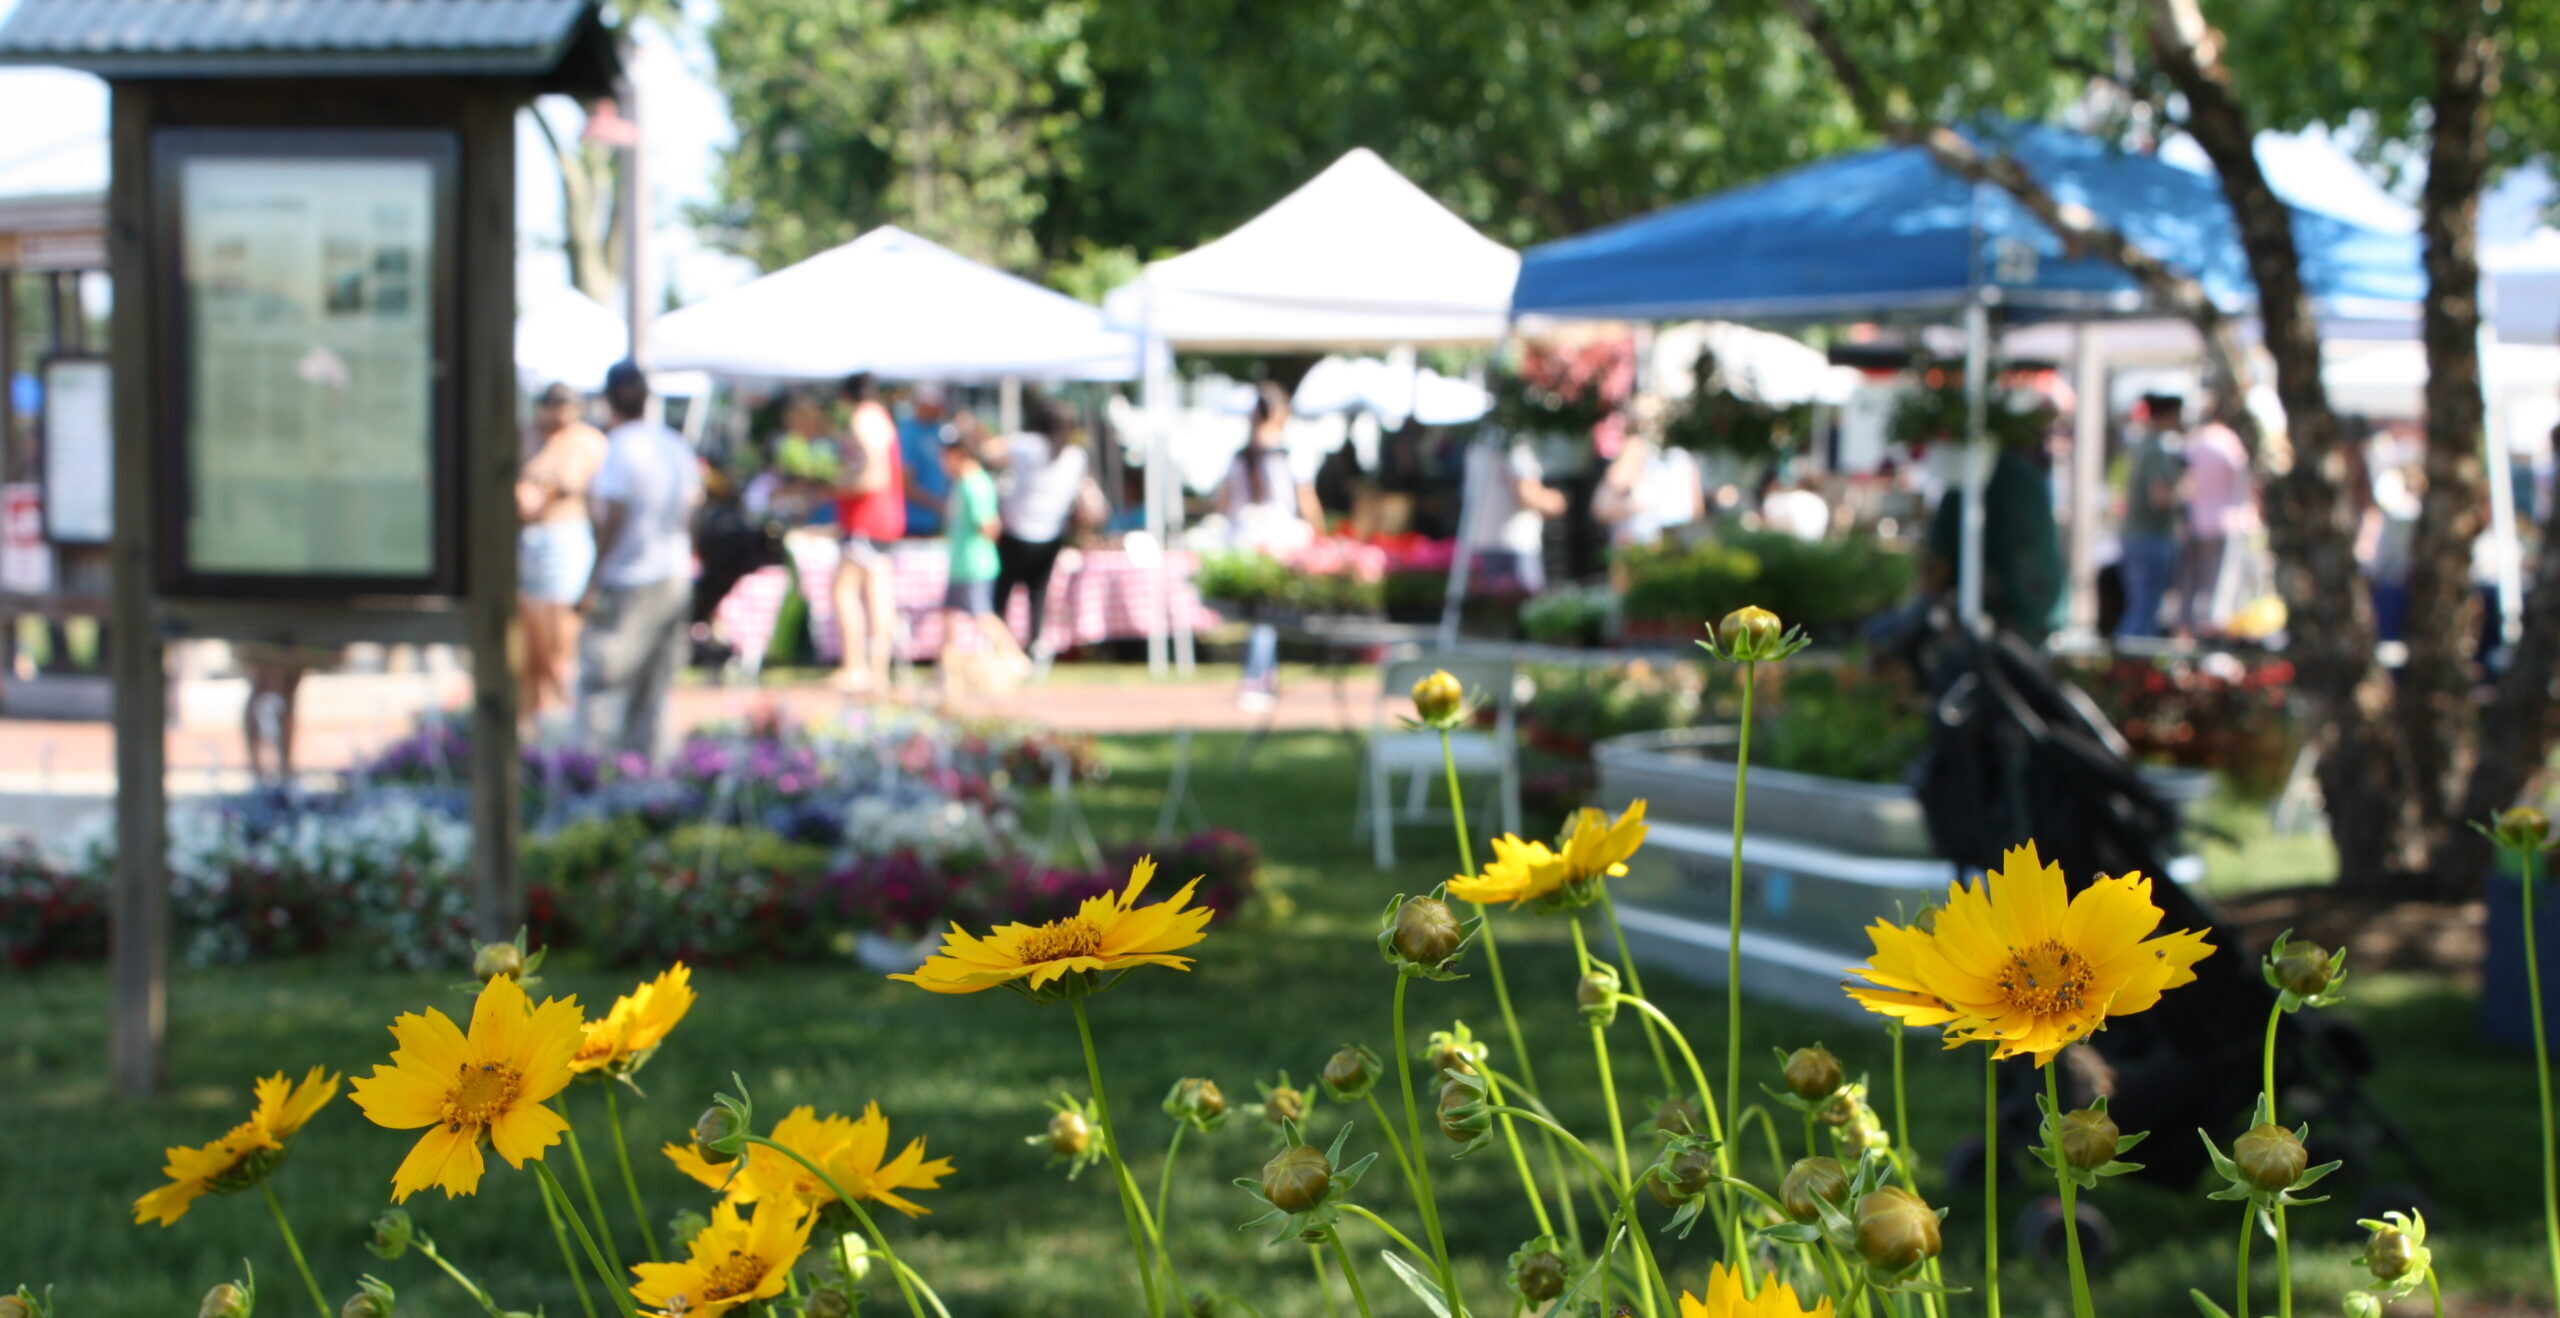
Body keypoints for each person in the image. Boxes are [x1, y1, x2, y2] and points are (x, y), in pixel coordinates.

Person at [576, 361, 701, 759]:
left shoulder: (618, 449)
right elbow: (692, 512)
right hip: (673, 573)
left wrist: (593, 579)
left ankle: (590, 770)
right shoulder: (673, 445)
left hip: (630, 578)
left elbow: (613, 518)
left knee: (602, 682)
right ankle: (650, 773)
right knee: (654, 687)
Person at [1214, 383, 1321, 708]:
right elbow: (1306, 501)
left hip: (1245, 538)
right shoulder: (1289, 453)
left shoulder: (1241, 455)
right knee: (1266, 615)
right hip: (1277, 539)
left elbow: (1222, 502)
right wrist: (1321, 534)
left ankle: (1262, 675)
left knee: (1261, 615)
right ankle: (1258, 679)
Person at [516, 383, 608, 726]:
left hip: (567, 539)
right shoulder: (526, 437)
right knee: (530, 643)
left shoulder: (588, 442)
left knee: (560, 641)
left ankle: (569, 718)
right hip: (528, 540)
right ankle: (534, 718)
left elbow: (600, 501)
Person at [1925, 442, 2065, 644]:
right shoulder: (2023, 473)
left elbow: (1938, 565)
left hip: (2008, 604)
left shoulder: (1969, 477)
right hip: (2038, 597)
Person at [994, 398, 1088, 658]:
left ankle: (1002, 649)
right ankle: (1035, 647)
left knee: (1002, 595)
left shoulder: (1028, 446)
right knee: (1038, 596)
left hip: (1016, 532)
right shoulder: (1075, 455)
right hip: (1051, 534)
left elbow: (992, 451)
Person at [831, 372, 905, 694]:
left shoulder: (864, 420)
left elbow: (874, 477)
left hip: (867, 518)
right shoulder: (882, 418)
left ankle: (856, 666)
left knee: (845, 591)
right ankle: (877, 670)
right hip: (885, 518)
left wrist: (835, 487)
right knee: (878, 594)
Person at [937, 432, 1026, 694]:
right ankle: (945, 671)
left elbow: (989, 525)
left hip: (974, 563)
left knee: (983, 616)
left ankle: (1015, 656)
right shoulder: (964, 483)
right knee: (951, 616)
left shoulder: (974, 484)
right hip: (962, 563)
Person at [2179, 402, 2257, 636]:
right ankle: (2213, 634)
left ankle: (2191, 630)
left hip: (2197, 521)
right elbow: (2243, 481)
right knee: (2221, 584)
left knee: (2194, 584)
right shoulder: (2229, 442)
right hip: (2227, 521)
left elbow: (2185, 482)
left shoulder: (2193, 443)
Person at [2116, 394, 2187, 640]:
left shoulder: (2141, 445)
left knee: (2141, 608)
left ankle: (2127, 667)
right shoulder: (2155, 449)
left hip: (2138, 536)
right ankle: (2129, 670)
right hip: (2150, 537)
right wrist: (2187, 494)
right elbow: (2160, 499)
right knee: (2144, 611)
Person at [1461, 431, 1565, 596]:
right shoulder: (1513, 442)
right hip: (1512, 547)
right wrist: (1556, 501)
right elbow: (1526, 493)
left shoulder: (1480, 440)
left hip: (1484, 544)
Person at [1595, 437, 1705, 548]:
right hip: (1635, 545)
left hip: (1673, 543)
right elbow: (1602, 508)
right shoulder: (1638, 449)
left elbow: (1697, 508)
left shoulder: (1682, 455)